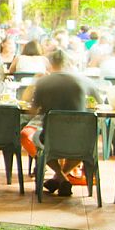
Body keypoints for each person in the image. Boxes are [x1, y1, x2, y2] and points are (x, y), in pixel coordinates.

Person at [28, 49, 107, 197]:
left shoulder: (43, 82)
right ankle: (62, 177)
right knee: (83, 148)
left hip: (51, 138)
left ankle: (59, 176)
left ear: (50, 64)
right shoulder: (84, 80)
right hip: (81, 139)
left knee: (35, 139)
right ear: (68, 63)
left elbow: (33, 110)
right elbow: (101, 102)